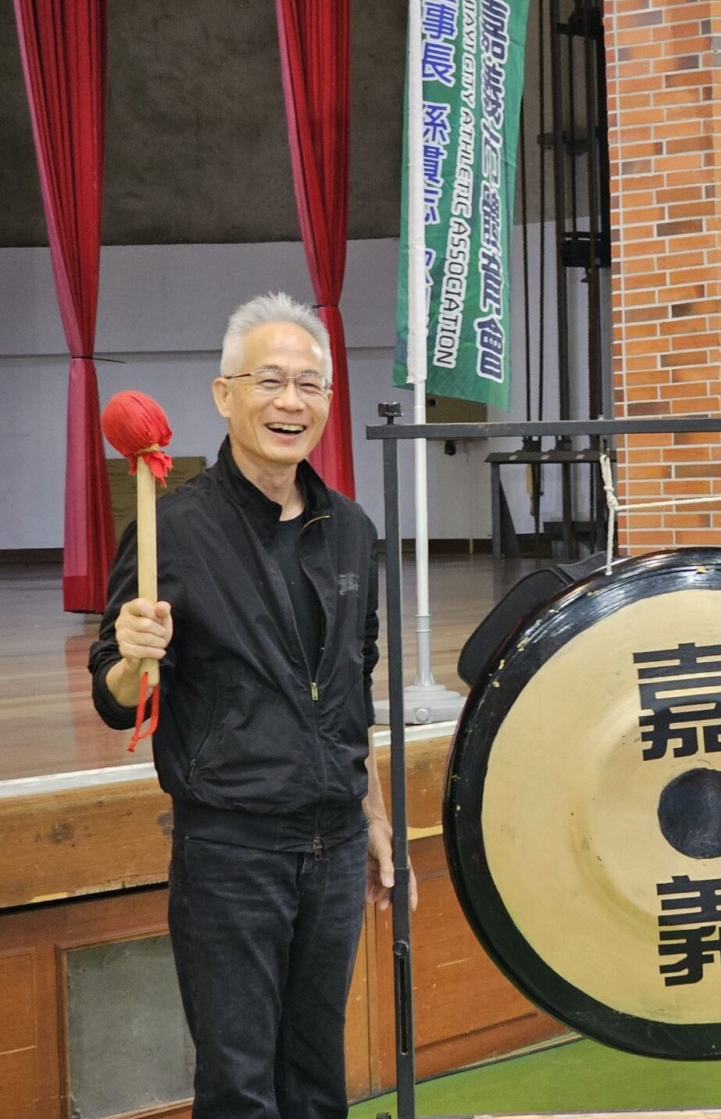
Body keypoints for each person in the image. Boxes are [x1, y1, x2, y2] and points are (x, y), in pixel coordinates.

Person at [88, 292, 410, 1119]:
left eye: (309, 384)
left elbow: (351, 686)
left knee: (316, 1079)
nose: (290, 401)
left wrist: (374, 817)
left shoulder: (351, 529)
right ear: (224, 394)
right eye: (269, 380)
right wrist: (132, 657)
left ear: (328, 404)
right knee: (238, 1085)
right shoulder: (177, 529)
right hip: (231, 851)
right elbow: (116, 701)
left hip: (335, 845)